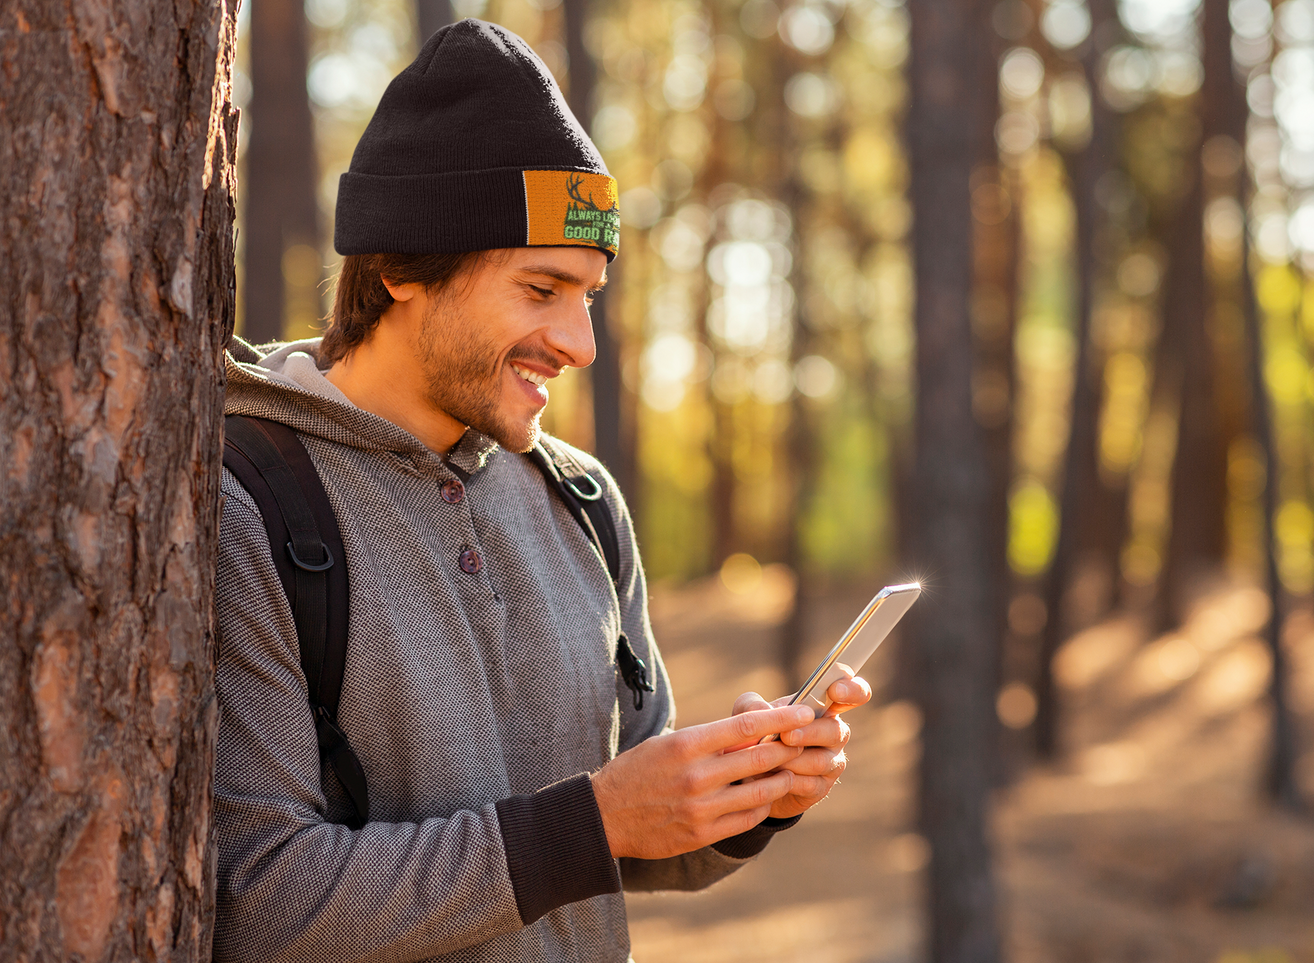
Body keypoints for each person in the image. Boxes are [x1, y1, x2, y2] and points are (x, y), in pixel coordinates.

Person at [213, 19, 870, 963]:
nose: (579, 343)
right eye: (540, 289)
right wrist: (593, 822)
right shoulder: (251, 503)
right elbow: (259, 898)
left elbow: (627, 839)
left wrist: (743, 795)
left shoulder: (581, 502)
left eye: (588, 296)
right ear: (400, 265)